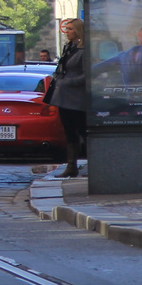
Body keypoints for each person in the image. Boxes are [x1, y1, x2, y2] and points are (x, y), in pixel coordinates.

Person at [45, 18, 88, 178]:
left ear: (77, 31)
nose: (67, 32)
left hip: (76, 97)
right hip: (63, 96)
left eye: (70, 29)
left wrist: (68, 82)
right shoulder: (68, 48)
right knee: (69, 131)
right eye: (67, 29)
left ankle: (92, 163)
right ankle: (71, 166)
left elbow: (87, 75)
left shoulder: (83, 50)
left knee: (81, 129)